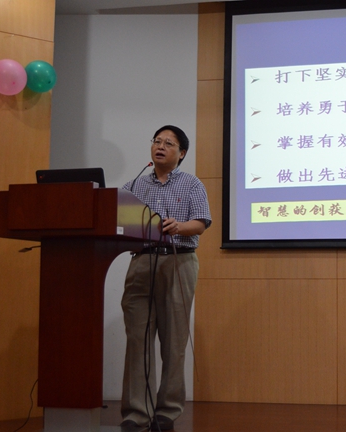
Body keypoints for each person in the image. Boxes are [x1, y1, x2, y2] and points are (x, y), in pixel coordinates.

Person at [119, 125, 211, 432]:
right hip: (142, 262)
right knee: (138, 339)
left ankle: (167, 412)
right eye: (157, 141)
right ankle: (137, 413)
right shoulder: (133, 185)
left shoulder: (192, 184)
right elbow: (119, 221)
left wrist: (179, 226)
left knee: (173, 341)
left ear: (181, 153)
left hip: (178, 261)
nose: (160, 146)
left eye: (168, 143)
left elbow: (201, 223)